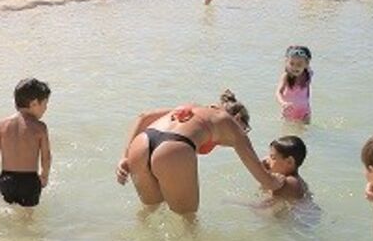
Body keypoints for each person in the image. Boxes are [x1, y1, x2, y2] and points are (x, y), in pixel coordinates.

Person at [115, 90, 284, 217]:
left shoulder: (194, 108)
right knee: (187, 220)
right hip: (174, 149)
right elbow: (266, 180)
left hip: (141, 143)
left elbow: (143, 117)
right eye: (245, 129)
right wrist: (280, 181)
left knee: (149, 211)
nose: (243, 133)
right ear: (238, 118)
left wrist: (124, 156)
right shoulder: (230, 124)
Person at [0, 78, 52, 209]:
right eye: (45, 104)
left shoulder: (0, 125)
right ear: (34, 103)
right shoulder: (40, 128)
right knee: (28, 215)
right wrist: (44, 176)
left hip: (6, 180)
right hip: (30, 181)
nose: (46, 109)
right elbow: (46, 156)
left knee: (7, 211)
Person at [261, 136, 308, 202]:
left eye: (273, 158)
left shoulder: (290, 183)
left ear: (289, 162)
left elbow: (264, 205)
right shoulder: (297, 180)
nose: (266, 161)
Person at [276, 46, 312, 123]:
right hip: (288, 111)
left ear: (306, 64)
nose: (295, 67)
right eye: (291, 64)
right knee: (288, 129)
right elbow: (278, 92)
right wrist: (283, 103)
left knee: (305, 130)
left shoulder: (308, 75)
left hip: (305, 112)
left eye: (299, 64)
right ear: (286, 62)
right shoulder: (286, 76)